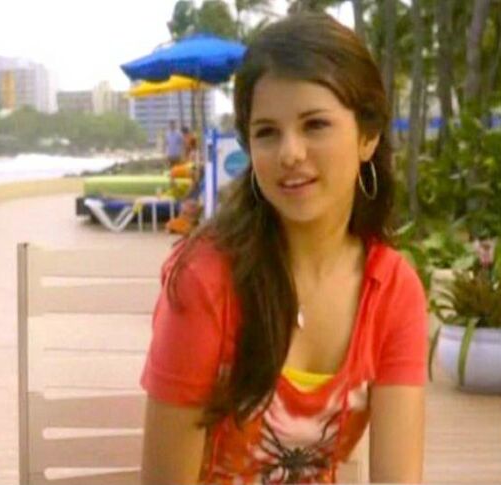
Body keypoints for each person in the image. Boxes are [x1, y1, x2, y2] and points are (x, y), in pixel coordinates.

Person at [141, 12, 427, 485]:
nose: (289, 153)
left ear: (368, 136)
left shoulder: (392, 291)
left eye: (314, 125)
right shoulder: (206, 281)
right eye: (267, 132)